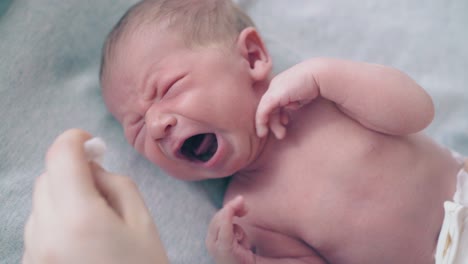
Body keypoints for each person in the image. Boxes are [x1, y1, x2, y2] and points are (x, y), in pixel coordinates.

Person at [24, 0, 468, 263]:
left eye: (166, 89)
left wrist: (326, 74)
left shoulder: (325, 98)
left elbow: (417, 111)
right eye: (136, 130)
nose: (157, 125)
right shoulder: (248, 210)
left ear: (253, 58)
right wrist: (245, 259)